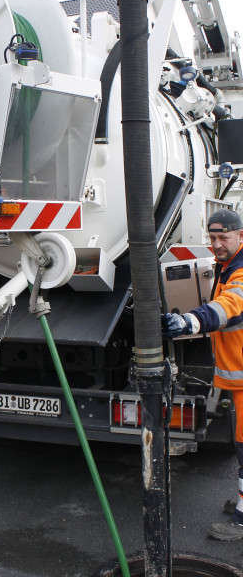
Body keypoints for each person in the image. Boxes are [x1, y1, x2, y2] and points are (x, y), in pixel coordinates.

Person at [162, 208, 243, 541]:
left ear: (241, 236)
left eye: (223, 237)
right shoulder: (227, 266)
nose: (216, 244)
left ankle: (241, 520)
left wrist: (189, 321)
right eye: (212, 238)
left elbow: (230, 306)